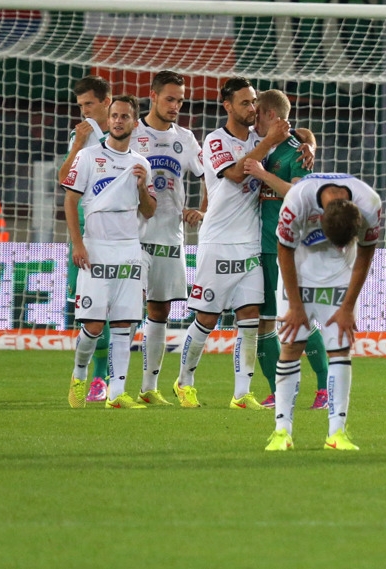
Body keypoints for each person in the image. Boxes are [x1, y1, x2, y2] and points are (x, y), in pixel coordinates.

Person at [173, 77, 290, 409]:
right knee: (207, 319)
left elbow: (293, 142)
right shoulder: (215, 140)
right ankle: (184, 382)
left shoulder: (258, 138)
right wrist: (267, 143)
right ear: (227, 106)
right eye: (245, 103)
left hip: (250, 242)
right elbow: (238, 174)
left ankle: (241, 394)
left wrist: (307, 145)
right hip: (219, 241)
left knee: (250, 318)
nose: (252, 108)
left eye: (254, 102)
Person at [262, 173, 382, 452]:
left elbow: (365, 254)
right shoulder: (297, 201)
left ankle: (337, 433)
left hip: (340, 278)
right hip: (299, 276)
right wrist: (294, 305)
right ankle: (282, 432)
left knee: (340, 348)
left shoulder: (370, 202)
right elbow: (284, 249)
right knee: (291, 346)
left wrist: (348, 307)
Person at [63, 95, 157, 409]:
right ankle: (78, 376)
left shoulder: (141, 164)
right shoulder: (88, 156)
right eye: (114, 116)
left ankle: (116, 394)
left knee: (123, 324)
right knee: (91, 326)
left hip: (129, 249)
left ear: (134, 122)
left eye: (124, 117)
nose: (118, 121)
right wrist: (78, 244)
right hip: (96, 249)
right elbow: (70, 200)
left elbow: (149, 211)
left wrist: (143, 187)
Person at [241, 89, 330, 411]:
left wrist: (263, 174)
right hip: (259, 245)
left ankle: (324, 388)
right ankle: (278, 391)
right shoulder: (257, 145)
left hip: (290, 247)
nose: (251, 119)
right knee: (265, 321)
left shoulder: (296, 151)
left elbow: (299, 193)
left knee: (297, 318)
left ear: (270, 115)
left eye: (256, 113)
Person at [129, 72, 204, 405]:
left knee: (159, 311)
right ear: (153, 96)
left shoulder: (186, 139)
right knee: (126, 310)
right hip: (132, 236)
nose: (175, 106)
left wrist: (200, 209)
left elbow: (210, 176)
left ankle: (148, 388)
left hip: (170, 235)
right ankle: (105, 382)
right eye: (170, 99)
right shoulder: (132, 133)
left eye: (180, 100)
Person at [59, 75, 113, 403]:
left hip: (119, 237)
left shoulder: (130, 135)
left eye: (89, 104)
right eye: (80, 106)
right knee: (88, 311)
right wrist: (78, 145)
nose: (84, 112)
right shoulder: (81, 137)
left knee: (113, 310)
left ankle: (101, 377)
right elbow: (64, 181)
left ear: (107, 102)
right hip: (83, 235)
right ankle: (90, 373)